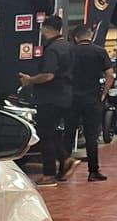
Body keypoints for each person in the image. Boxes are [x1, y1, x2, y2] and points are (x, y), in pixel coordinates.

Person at [19, 15, 75, 186]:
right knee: (51, 132)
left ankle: (49, 173)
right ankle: (65, 159)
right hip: (66, 95)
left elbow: (48, 75)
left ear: (45, 29)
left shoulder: (52, 49)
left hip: (50, 98)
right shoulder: (69, 46)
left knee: (44, 134)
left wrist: (30, 80)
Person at [64, 23, 115, 181]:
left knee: (68, 134)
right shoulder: (99, 51)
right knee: (91, 136)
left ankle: (63, 170)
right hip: (92, 99)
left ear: (75, 37)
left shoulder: (69, 51)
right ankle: (93, 171)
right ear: (90, 35)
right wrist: (104, 93)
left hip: (71, 98)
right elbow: (110, 74)